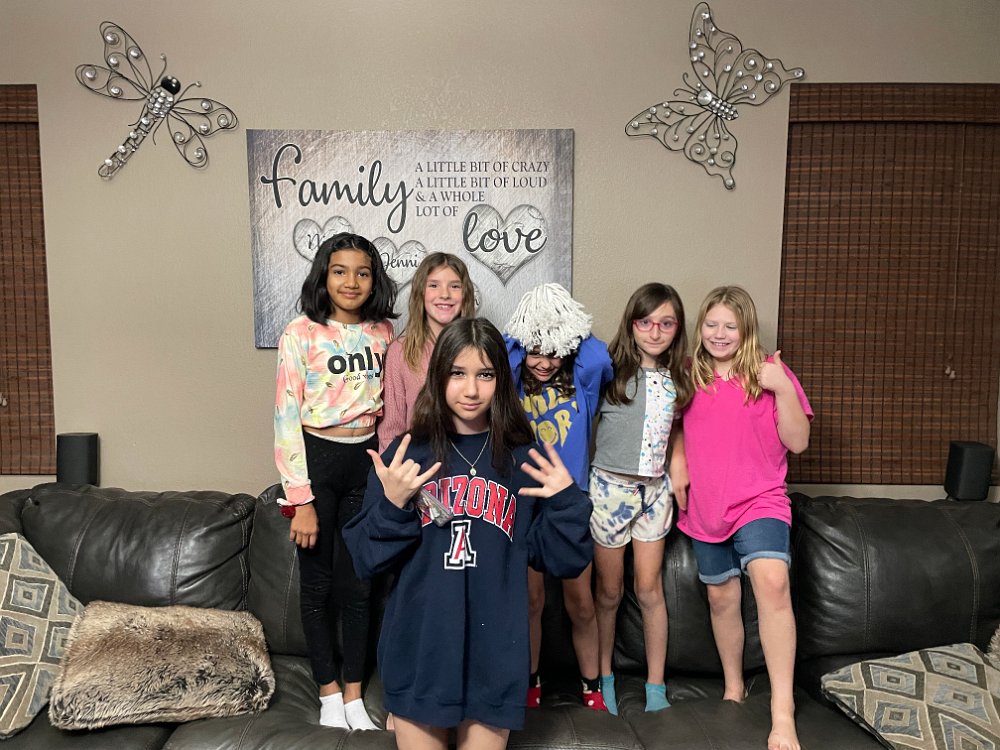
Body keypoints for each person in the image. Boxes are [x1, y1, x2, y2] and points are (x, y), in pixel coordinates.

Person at [343, 318, 592, 750]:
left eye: (485, 374)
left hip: (494, 658)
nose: (471, 389)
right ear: (439, 376)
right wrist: (393, 504)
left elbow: (563, 561)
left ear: (502, 381)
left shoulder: (524, 459)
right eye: (458, 373)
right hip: (421, 651)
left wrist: (567, 502)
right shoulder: (406, 455)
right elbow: (365, 560)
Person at [676, 285, 812, 750]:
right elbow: (672, 426)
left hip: (761, 499)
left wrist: (782, 387)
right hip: (707, 506)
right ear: (700, 327)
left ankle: (782, 712)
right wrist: (677, 459)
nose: (719, 333)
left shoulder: (770, 372)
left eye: (730, 326)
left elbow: (798, 442)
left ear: (746, 329)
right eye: (711, 324)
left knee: (772, 582)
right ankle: (733, 687)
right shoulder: (688, 374)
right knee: (721, 598)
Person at [273, 232, 397, 731]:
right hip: (317, 460)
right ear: (324, 276)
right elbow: (285, 416)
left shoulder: (384, 332)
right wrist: (299, 499)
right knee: (318, 584)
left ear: (374, 280)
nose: (351, 282)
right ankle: (326, 692)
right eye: (340, 271)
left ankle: (353, 694)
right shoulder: (300, 333)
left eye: (362, 272)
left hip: (365, 461)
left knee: (360, 584)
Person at [503, 283, 612, 711]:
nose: (544, 363)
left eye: (554, 352)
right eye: (535, 352)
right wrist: (529, 324)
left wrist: (566, 323)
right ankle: (532, 684)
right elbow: (502, 354)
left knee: (580, 603)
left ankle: (591, 688)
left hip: (568, 502)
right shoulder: (511, 384)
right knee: (532, 601)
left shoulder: (583, 383)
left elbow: (598, 358)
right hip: (527, 499)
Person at [590, 282, 693, 715]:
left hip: (655, 491)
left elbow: (680, 424)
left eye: (666, 324)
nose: (655, 332)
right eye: (645, 322)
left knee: (649, 589)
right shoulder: (608, 368)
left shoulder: (681, 374)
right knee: (609, 592)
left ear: (677, 328)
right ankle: (603, 679)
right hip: (609, 489)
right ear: (631, 324)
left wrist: (679, 461)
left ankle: (655, 685)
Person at [378, 252, 476, 451]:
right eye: (434, 285)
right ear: (420, 293)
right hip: (417, 463)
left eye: (455, 286)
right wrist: (394, 466)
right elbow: (391, 430)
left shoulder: (479, 347)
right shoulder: (400, 351)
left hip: (470, 462)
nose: (445, 294)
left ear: (465, 294)